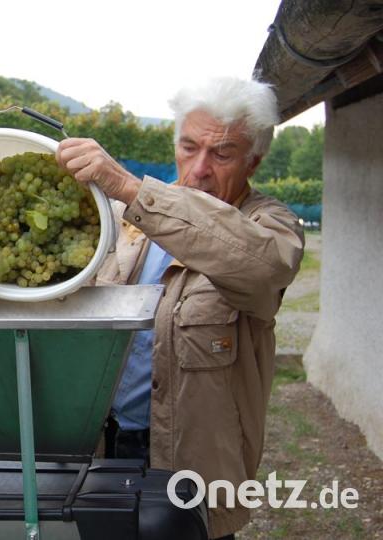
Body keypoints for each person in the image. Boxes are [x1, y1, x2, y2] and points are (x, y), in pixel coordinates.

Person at [56, 77, 304, 540]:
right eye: (189, 147)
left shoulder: (271, 226)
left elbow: (260, 266)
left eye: (222, 153)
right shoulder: (125, 224)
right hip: (107, 450)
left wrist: (132, 190)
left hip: (192, 468)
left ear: (255, 159)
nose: (200, 167)